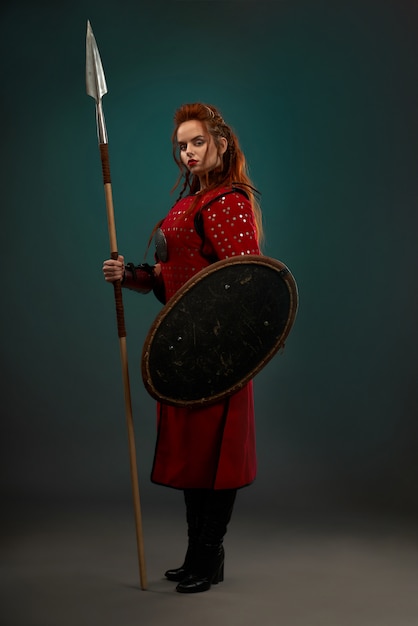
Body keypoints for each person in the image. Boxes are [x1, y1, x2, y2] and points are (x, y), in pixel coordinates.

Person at [103, 102, 263, 593]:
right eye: (182, 145)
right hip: (182, 348)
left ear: (220, 143)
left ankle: (207, 554)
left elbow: (246, 283)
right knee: (196, 456)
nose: (188, 152)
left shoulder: (229, 201)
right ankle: (199, 557)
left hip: (218, 355)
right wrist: (129, 275)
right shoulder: (189, 203)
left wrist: (224, 349)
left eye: (197, 142)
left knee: (217, 457)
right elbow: (172, 279)